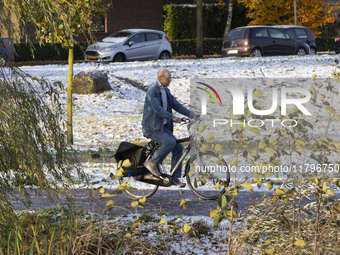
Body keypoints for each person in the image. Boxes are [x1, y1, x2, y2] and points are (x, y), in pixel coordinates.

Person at [141, 69, 197, 188]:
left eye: (170, 78)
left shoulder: (166, 91)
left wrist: (192, 115)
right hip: (152, 127)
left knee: (178, 147)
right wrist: (172, 117)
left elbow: (176, 105)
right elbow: (157, 109)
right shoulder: (153, 91)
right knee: (170, 141)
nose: (170, 80)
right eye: (168, 78)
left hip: (162, 127)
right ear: (160, 78)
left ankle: (174, 177)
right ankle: (152, 163)